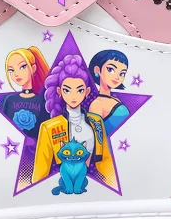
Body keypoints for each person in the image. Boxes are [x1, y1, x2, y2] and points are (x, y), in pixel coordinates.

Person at [32, 53, 111, 184]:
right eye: (67, 90)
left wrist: (111, 185)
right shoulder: (49, 127)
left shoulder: (96, 122)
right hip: (62, 184)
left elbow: (106, 161)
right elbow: (41, 170)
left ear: (87, 92)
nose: (73, 96)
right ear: (59, 91)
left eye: (79, 90)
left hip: (95, 185)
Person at [87, 49, 130, 136]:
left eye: (122, 74)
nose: (117, 77)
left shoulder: (115, 99)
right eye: (110, 69)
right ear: (97, 70)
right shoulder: (97, 104)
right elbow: (96, 137)